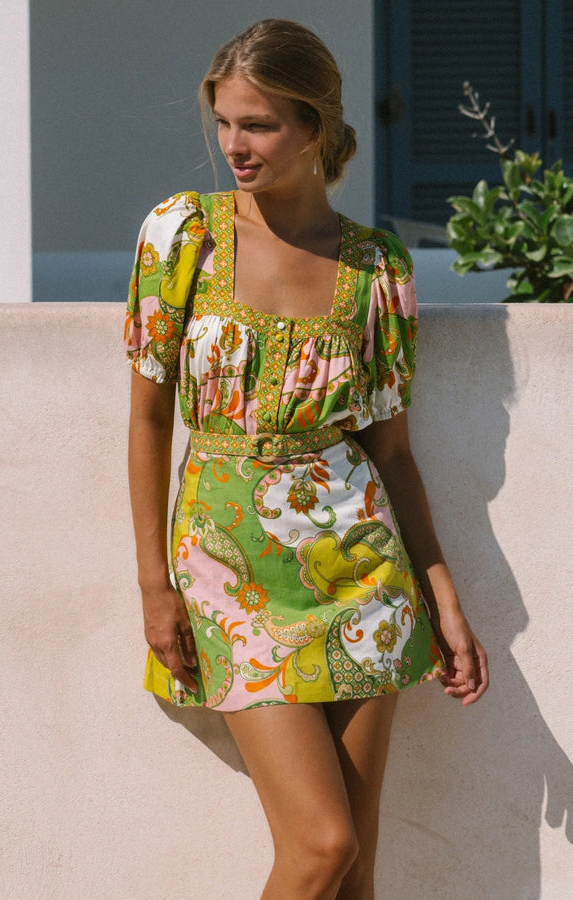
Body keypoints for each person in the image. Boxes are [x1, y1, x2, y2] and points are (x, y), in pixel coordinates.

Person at [125, 18, 489, 900]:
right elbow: (147, 418)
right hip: (230, 575)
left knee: (354, 871)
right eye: (224, 121)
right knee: (322, 847)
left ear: (316, 126)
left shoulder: (377, 270)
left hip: (363, 578)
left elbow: (392, 454)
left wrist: (441, 596)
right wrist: (153, 585)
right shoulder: (184, 237)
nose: (233, 146)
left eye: (258, 124)